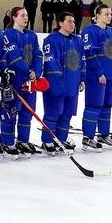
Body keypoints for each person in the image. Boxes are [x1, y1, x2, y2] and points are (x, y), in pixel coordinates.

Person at [0, 6, 41, 156]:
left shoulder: (32, 35)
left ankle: (23, 141)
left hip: (31, 81)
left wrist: (36, 71)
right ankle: (7, 143)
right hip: (15, 80)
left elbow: (38, 54)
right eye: (22, 15)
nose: (25, 18)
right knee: (11, 112)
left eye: (27, 15)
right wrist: (27, 71)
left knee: (27, 113)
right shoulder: (9, 34)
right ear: (14, 17)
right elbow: (14, 56)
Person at [81, 3, 112, 147]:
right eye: (106, 14)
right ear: (97, 15)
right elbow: (89, 54)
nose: (109, 16)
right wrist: (99, 72)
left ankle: (104, 135)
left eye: (110, 14)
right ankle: (88, 137)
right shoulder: (89, 31)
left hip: (111, 76)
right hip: (95, 76)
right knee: (94, 106)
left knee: (107, 106)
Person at [42, 10, 84, 151]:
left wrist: (82, 79)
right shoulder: (51, 40)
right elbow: (51, 62)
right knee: (53, 113)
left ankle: (61, 140)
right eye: (69, 21)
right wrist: (58, 82)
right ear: (60, 23)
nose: (72, 24)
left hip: (72, 84)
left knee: (67, 114)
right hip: (56, 84)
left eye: (73, 21)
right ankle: (47, 140)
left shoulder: (78, 40)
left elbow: (81, 61)